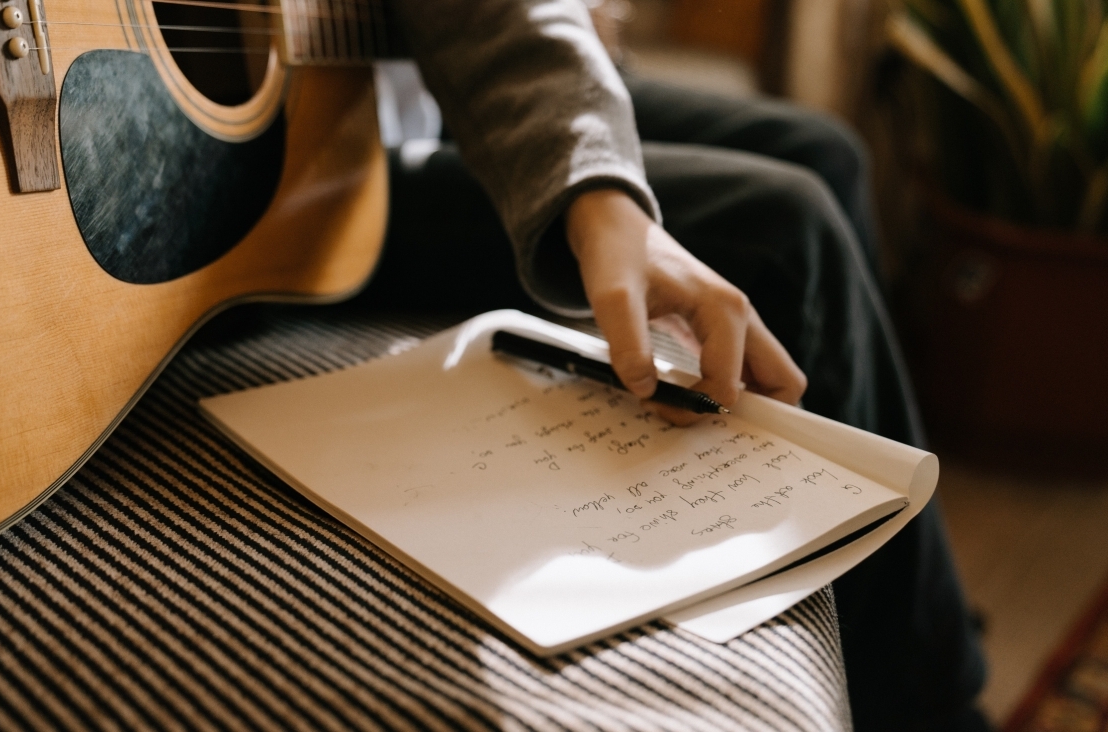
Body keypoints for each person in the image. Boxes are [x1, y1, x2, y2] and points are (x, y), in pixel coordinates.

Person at [354, 1, 990, 729]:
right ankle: (936, 710)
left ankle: (917, 641)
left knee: (829, 153)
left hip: (415, 77)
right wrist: (599, 200)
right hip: (333, 166)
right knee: (791, 226)